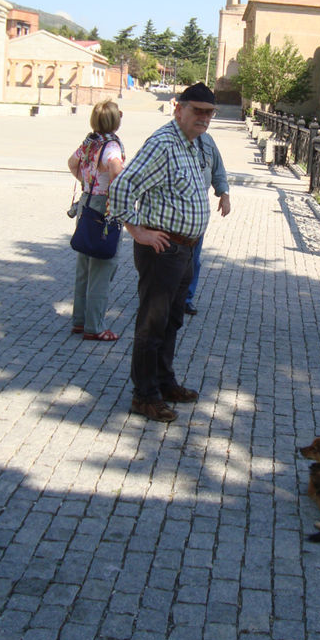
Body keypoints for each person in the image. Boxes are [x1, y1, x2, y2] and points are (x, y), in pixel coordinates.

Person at [109, 82, 225, 424]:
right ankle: (144, 396)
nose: (204, 118)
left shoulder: (194, 143)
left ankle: (163, 381)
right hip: (162, 249)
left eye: (209, 113)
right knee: (152, 323)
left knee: (171, 321)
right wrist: (136, 230)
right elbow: (122, 186)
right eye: (197, 111)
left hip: (184, 250)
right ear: (179, 109)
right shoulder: (163, 143)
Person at [68, 100, 125, 342]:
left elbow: (72, 162)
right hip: (103, 208)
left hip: (86, 204)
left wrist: (86, 181)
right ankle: (95, 326)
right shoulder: (111, 146)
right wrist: (120, 193)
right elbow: (116, 170)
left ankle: (80, 321)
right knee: (102, 267)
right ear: (114, 120)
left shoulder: (90, 142)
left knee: (84, 266)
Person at [185, 131, 230, 315]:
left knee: (193, 260)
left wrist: (224, 194)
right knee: (169, 258)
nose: (204, 119)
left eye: (209, 114)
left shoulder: (208, 140)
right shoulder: (166, 139)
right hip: (172, 213)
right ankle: (161, 297)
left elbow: (218, 170)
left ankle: (186, 298)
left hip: (198, 213)